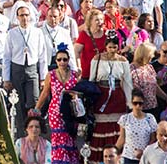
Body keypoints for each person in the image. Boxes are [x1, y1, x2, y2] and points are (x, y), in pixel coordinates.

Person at [3, 0, 48, 138]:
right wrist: (6, 78)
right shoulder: (12, 33)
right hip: (17, 69)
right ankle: (22, 133)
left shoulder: (37, 32)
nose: (24, 18)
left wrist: (43, 77)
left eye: (26, 15)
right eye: (21, 15)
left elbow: (42, 56)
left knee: (34, 102)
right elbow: (7, 57)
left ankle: (35, 130)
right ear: (17, 18)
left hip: (32, 69)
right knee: (19, 102)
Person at [88, 33, 133, 162]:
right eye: (110, 47)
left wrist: (130, 103)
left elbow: (128, 83)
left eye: (114, 47)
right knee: (100, 126)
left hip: (117, 96)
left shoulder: (123, 61)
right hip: (101, 96)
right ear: (105, 47)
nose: (112, 50)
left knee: (116, 127)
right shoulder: (97, 59)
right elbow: (92, 80)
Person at [32, 43, 79, 163]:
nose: (62, 62)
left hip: (70, 111)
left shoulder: (74, 75)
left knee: (69, 136)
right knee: (58, 137)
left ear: (68, 60)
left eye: (64, 59)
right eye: (59, 60)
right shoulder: (51, 75)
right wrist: (37, 108)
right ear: (56, 61)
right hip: (55, 111)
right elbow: (45, 93)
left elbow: (79, 92)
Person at [116, 92, 158, 164]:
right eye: (135, 103)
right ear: (132, 103)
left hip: (145, 156)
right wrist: (114, 152)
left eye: (140, 103)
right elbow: (122, 138)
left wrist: (144, 152)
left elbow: (153, 138)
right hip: (128, 156)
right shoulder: (125, 118)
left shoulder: (150, 118)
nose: (138, 106)